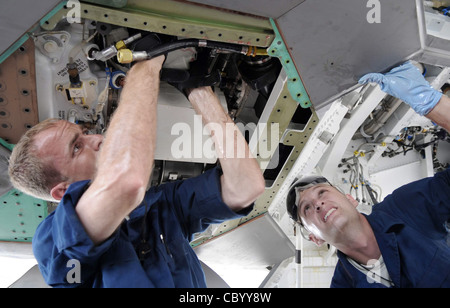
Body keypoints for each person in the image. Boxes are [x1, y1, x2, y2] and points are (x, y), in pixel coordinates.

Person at [8, 55, 265, 287]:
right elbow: (125, 183)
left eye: (84, 134)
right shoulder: (52, 239)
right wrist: (146, 64)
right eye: (76, 148)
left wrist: (198, 91)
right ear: (62, 191)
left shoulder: (159, 206)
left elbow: (245, 187)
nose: (96, 138)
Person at [286, 61, 450, 288]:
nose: (318, 203)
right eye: (306, 208)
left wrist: (430, 102)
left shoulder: (406, 208)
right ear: (315, 238)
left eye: (322, 192)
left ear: (351, 199)